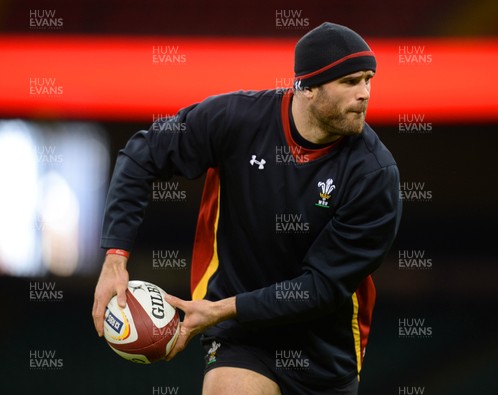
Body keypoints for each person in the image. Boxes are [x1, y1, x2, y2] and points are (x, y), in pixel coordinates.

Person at [92, 22, 401, 395]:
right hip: (240, 336)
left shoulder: (374, 174)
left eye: (369, 79)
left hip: (322, 344)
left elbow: (319, 288)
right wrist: (114, 258)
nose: (365, 94)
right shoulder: (235, 119)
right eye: (350, 82)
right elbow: (141, 156)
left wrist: (218, 310)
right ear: (306, 87)